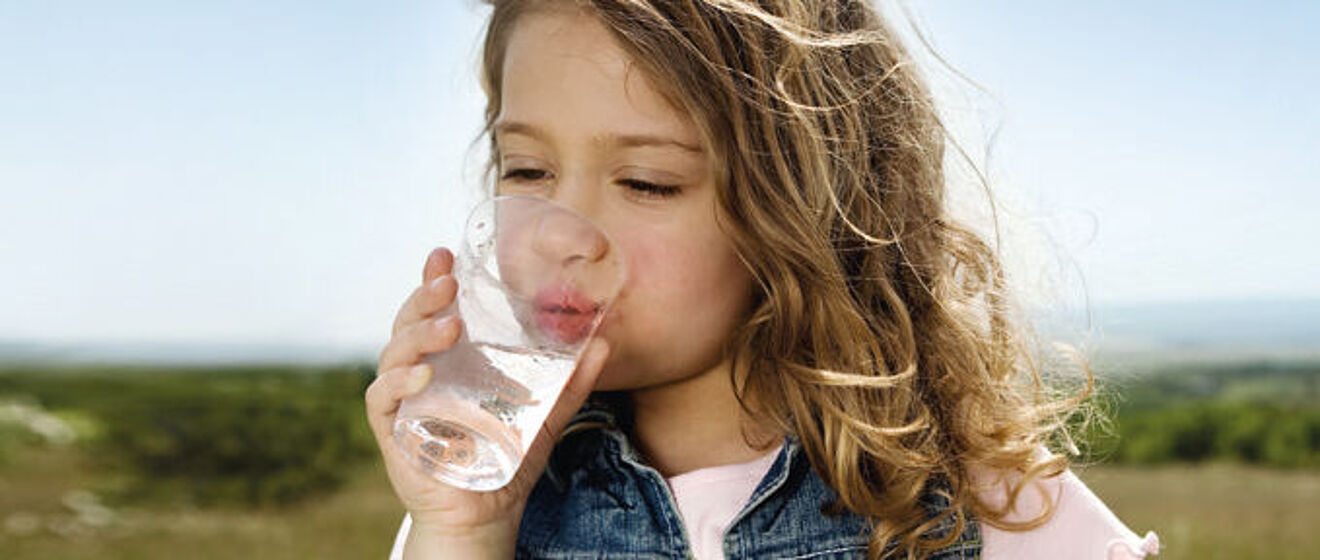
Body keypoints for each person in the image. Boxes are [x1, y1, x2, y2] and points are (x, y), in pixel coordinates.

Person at [365, 1, 1162, 558]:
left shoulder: (993, 511)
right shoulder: (478, 515)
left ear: (806, 205)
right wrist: (465, 532)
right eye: (527, 170)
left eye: (646, 182)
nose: (557, 233)